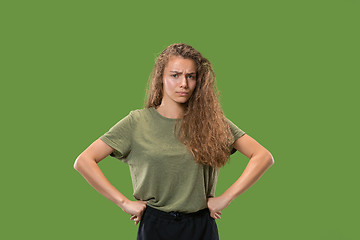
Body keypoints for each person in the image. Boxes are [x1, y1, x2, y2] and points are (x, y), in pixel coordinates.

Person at [74, 43, 274, 240]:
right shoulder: (137, 122)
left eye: (190, 76)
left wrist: (226, 198)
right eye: (175, 75)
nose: (184, 84)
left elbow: (263, 156)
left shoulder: (212, 122)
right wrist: (124, 203)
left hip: (201, 226)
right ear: (161, 78)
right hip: (155, 225)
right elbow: (84, 161)